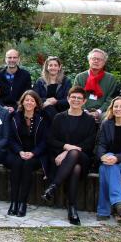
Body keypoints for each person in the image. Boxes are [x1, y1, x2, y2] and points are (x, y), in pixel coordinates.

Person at [42, 86, 97, 225]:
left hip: (83, 157)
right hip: (61, 160)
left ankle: (53, 186)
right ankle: (72, 207)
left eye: (79, 98)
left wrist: (67, 150)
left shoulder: (89, 120)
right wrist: (65, 148)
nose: (76, 100)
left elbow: (89, 143)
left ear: (84, 101)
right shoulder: (59, 117)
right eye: (73, 97)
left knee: (76, 159)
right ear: (68, 99)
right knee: (75, 168)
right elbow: (51, 140)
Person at [4, 90, 48, 217]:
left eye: (32, 100)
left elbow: (45, 141)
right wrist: (20, 151)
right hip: (16, 152)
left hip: (36, 155)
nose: (29, 102)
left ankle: (23, 202)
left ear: (36, 103)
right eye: (27, 100)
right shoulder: (14, 117)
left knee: (27, 165)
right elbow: (10, 138)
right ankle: (14, 202)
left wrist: (33, 153)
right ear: (22, 102)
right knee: (17, 164)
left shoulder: (42, 118)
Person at [74, 48, 117, 122]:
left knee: (108, 119)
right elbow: (76, 96)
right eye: (94, 58)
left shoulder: (111, 78)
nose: (96, 61)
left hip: (103, 112)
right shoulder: (80, 77)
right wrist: (85, 111)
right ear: (89, 61)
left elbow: (111, 98)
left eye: (99, 59)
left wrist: (99, 112)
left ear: (104, 63)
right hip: (82, 109)